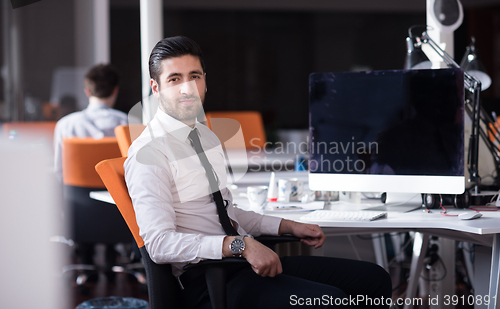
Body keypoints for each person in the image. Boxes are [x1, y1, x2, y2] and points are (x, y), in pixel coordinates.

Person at [124, 36, 392, 308]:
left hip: (242, 266)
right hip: (208, 282)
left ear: (205, 80)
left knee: (373, 280)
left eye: (194, 76)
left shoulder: (204, 137)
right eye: (174, 79)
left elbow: (226, 213)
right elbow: (159, 244)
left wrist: (286, 225)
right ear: (155, 88)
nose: (187, 88)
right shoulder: (149, 153)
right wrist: (241, 245)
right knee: (330, 301)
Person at [53, 63, 128, 181]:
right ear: (115, 91)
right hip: (116, 196)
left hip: (76, 196)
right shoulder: (127, 123)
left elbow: (59, 171)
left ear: (87, 91)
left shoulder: (65, 125)